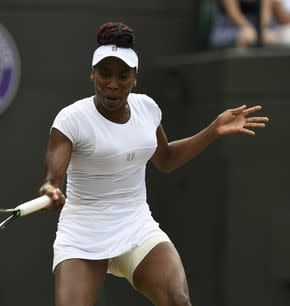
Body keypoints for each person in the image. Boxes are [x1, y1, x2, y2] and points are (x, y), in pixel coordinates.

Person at [39, 21, 269, 306]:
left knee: (177, 300)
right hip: (83, 233)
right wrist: (51, 189)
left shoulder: (147, 108)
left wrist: (213, 131)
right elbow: (53, 178)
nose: (112, 83)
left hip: (135, 225)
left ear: (135, 78)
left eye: (122, 75)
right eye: (104, 74)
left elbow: (165, 160)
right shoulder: (71, 119)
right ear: (92, 75)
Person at [209, 0, 278, 48]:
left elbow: (265, 15)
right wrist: (250, 32)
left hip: (257, 30)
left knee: (271, 38)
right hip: (228, 29)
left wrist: (258, 33)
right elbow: (233, 13)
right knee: (244, 38)